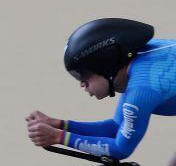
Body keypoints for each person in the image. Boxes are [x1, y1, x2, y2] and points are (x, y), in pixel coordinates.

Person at [27, 18, 175, 158]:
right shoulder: (136, 68)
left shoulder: (141, 91)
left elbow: (120, 149)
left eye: (82, 74)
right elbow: (115, 128)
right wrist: (60, 125)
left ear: (107, 65)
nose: (81, 83)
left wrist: (58, 137)